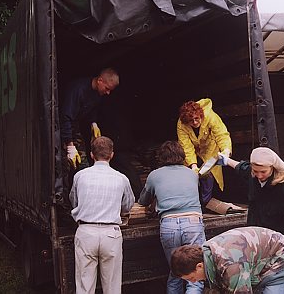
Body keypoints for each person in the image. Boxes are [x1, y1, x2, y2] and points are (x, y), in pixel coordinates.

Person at [69, 136, 134, 294]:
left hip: (86, 232)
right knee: (112, 286)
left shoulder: (80, 176)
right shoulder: (122, 178)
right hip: (111, 234)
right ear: (112, 155)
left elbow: (74, 200)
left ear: (91, 155)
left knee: (85, 285)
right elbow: (128, 205)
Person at [138, 141, 205, 294]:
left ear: (161, 157)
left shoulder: (154, 175)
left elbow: (143, 201)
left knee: (176, 271)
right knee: (195, 272)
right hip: (193, 222)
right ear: (182, 155)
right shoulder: (191, 173)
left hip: (169, 224)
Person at [170, 226, 284, 293]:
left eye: (191, 278)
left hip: (280, 257)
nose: (193, 282)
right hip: (255, 260)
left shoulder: (230, 265)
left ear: (199, 266)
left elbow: (241, 291)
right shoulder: (207, 255)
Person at [60, 67, 120, 170]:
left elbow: (93, 109)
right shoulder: (78, 89)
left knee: (82, 164)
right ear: (100, 81)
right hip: (61, 129)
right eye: (107, 88)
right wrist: (70, 145)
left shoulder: (97, 93)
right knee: (65, 165)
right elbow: (66, 117)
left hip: (74, 128)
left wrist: (93, 123)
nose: (108, 93)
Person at [177, 99, 232, 205]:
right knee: (191, 175)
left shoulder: (210, 116)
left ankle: (205, 203)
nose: (195, 122)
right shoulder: (181, 124)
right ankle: (192, 203)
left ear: (200, 115)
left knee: (208, 174)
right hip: (193, 151)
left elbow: (221, 134)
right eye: (191, 121)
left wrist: (226, 150)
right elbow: (186, 146)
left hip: (209, 149)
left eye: (196, 119)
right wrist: (193, 165)